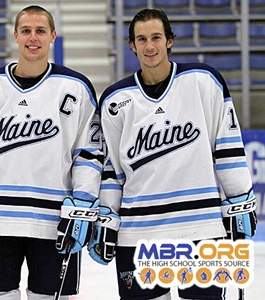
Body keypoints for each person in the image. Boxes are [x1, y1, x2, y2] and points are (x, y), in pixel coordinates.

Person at [88, 8, 257, 300]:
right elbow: (112, 170)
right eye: (141, 39)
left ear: (170, 41)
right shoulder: (115, 100)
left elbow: (227, 146)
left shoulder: (203, 80)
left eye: (156, 37)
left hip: (201, 226)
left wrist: (240, 197)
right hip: (138, 232)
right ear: (132, 45)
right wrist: (107, 215)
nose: (149, 46)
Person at [0, 5, 103, 300]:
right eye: (27, 31)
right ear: (16, 35)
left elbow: (89, 152)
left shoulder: (76, 87)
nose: (33, 38)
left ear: (53, 36)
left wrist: (83, 200)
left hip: (54, 222)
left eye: (41, 31)